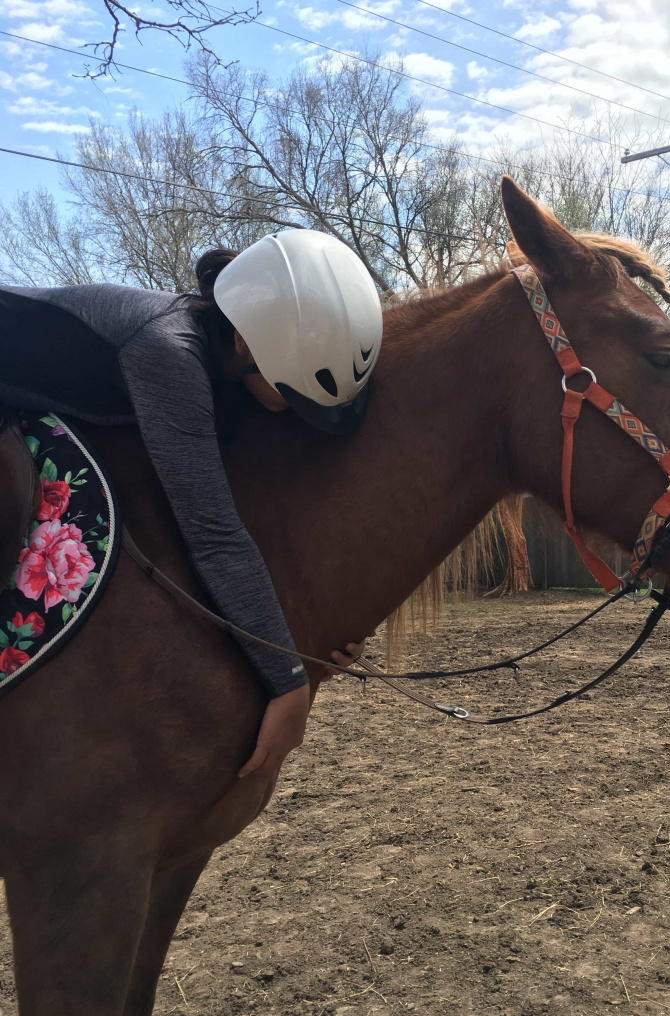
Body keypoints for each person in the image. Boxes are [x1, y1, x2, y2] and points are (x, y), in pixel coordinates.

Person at [0, 229, 383, 776]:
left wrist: (321, 629)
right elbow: (212, 530)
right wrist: (288, 682)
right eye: (291, 388)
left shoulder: (224, 364)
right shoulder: (167, 349)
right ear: (247, 343)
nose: (294, 410)